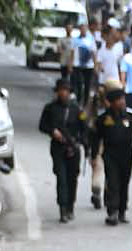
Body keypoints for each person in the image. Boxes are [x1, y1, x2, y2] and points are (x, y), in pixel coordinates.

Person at [37, 79, 85, 224]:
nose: (63, 93)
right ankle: (62, 208)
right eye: (61, 90)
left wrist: (82, 144)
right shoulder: (50, 108)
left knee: (72, 178)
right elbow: (42, 126)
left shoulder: (76, 109)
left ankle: (70, 205)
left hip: (73, 147)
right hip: (58, 147)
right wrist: (53, 132)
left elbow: (84, 128)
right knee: (61, 178)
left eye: (66, 90)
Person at [93, 85, 132, 225]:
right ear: (111, 102)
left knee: (124, 182)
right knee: (112, 182)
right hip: (110, 154)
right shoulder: (103, 119)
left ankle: (122, 211)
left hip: (126, 154)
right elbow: (95, 138)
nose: (122, 102)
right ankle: (112, 212)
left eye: (123, 99)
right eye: (118, 100)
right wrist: (94, 155)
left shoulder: (130, 117)